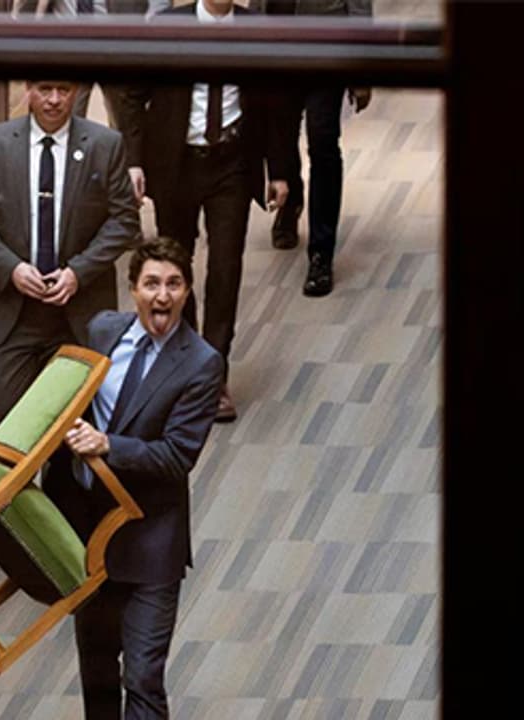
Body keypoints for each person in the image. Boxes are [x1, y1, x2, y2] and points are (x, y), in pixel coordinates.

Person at [44, 237, 224, 720]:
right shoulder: (102, 331)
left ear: (187, 291)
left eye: (174, 284)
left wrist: (108, 445)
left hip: (150, 544)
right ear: (133, 289)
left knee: (142, 678)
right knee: (98, 675)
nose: (163, 295)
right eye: (152, 284)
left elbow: (176, 456)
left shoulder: (202, 363)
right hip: (90, 540)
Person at [119, 0, 296, 422]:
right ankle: (185, 364)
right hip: (176, 164)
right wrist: (134, 161)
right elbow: (133, 97)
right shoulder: (166, 27)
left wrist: (280, 170)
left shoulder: (257, 31)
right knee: (175, 267)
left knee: (225, 268)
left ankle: (213, 374)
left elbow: (275, 108)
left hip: (232, 164)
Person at [0, 80, 140, 433]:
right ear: (28, 89)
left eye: (63, 91)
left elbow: (124, 221)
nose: (54, 100)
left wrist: (77, 272)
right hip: (12, 311)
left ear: (76, 93)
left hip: (77, 310)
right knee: (1, 412)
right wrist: (12, 269)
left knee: (74, 420)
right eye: (45, 89)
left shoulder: (105, 145)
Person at [266, 0, 373, 297]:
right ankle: (291, 200)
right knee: (278, 134)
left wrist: (362, 70)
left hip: (326, 48)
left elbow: (360, 6)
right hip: (276, 44)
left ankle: (321, 253)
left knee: (323, 141)